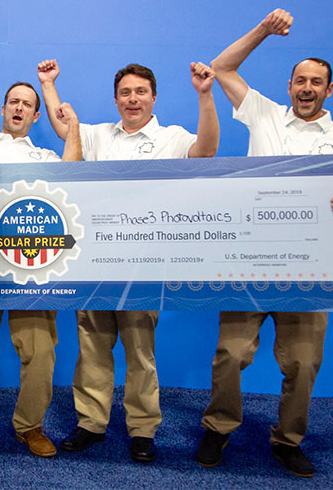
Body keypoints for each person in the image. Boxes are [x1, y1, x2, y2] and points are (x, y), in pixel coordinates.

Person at [196, 9, 333, 478]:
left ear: (329, 90)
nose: (306, 88)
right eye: (300, 79)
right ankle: (218, 428)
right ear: (289, 85)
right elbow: (220, 68)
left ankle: (288, 440)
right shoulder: (263, 116)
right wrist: (262, 29)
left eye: (316, 82)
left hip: (307, 268)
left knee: (303, 363)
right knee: (231, 354)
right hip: (249, 262)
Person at [39, 58, 219, 462]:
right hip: (94, 261)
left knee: (140, 352)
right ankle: (91, 423)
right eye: (125, 93)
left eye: (140, 92)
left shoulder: (171, 138)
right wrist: (48, 84)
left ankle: (142, 429)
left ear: (153, 98)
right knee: (92, 346)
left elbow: (206, 151)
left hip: (144, 263)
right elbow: (63, 126)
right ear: (116, 99)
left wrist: (205, 96)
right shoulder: (100, 135)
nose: (133, 99)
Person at [0, 82, 82, 458]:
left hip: (32, 266)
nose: (19, 108)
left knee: (40, 351)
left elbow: (73, 180)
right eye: (14, 102)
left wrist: (72, 132)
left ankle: (30, 426)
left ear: (36, 115)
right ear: (3, 108)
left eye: (27, 104)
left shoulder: (43, 158)